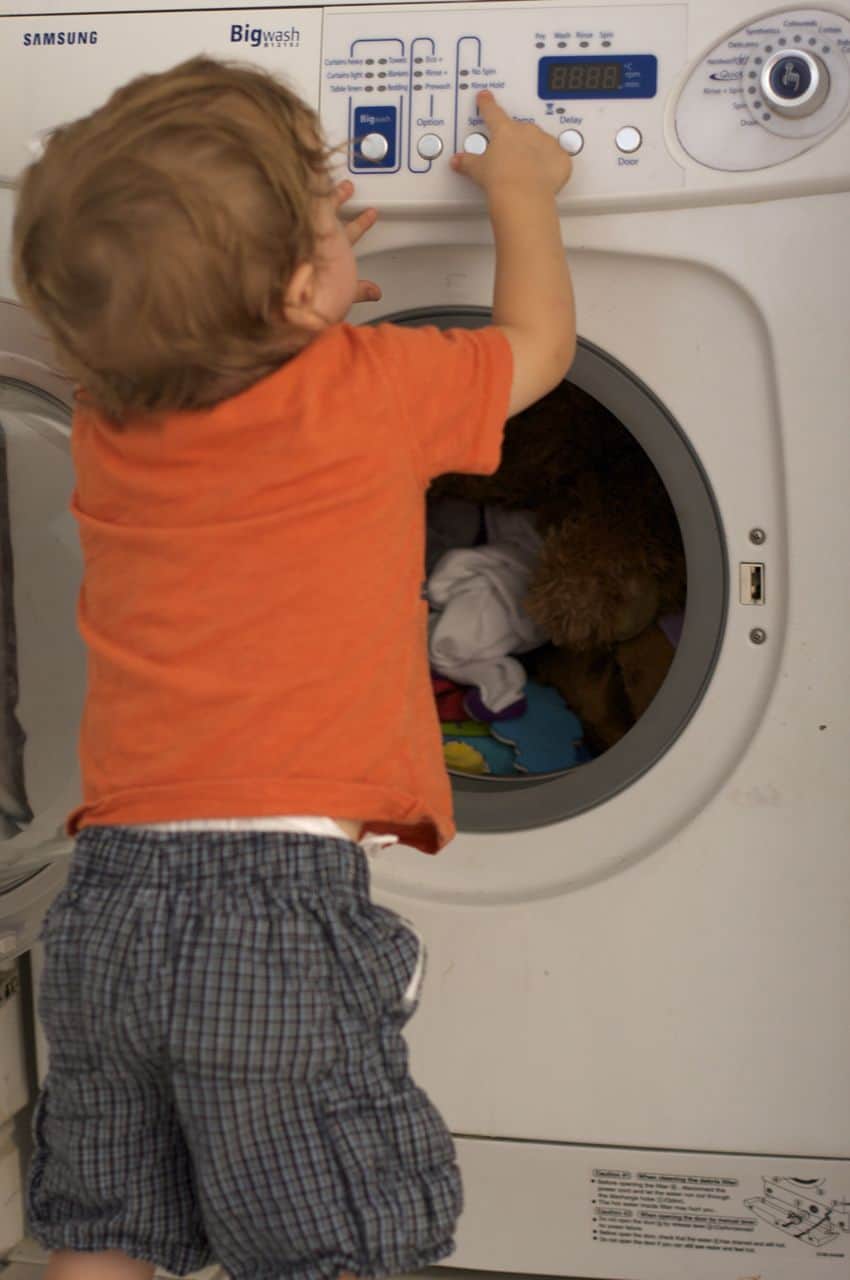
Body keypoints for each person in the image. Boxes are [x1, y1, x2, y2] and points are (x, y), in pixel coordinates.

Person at [13, 57, 575, 1280]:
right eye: (325, 207)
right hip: (271, 915)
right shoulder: (373, 386)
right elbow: (535, 347)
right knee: (334, 1241)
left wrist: (292, 307)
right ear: (301, 291)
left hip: (102, 905)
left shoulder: (109, 425)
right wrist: (523, 193)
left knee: (103, 1222)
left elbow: (202, 364)